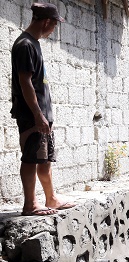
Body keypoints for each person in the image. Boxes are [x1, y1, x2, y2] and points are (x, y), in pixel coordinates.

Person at [11, 3, 75, 216]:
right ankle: (30, 204)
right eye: (54, 25)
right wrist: (37, 115)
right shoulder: (25, 45)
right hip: (32, 115)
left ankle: (51, 198)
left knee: (45, 159)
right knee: (30, 158)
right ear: (46, 21)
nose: (54, 29)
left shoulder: (34, 44)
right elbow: (25, 82)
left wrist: (45, 115)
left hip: (42, 115)